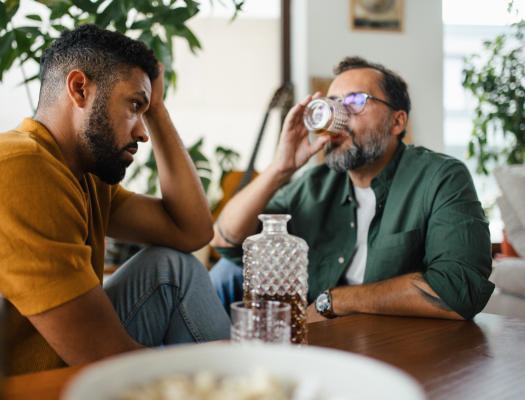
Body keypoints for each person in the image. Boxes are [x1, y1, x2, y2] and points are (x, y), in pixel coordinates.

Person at [0, 25, 230, 375]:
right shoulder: (17, 169)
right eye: (134, 105)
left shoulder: (82, 174)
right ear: (79, 88)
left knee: (173, 269)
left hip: (50, 360)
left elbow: (191, 231)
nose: (143, 132)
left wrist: (156, 106)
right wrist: (233, 357)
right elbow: (105, 357)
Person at [210, 56, 494, 322]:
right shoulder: (315, 184)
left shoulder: (440, 177)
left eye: (355, 101)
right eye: (332, 103)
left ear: (397, 121)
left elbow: (461, 287)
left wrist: (335, 301)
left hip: (399, 345)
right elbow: (227, 242)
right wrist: (279, 169)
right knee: (228, 273)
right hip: (322, 343)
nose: (339, 116)